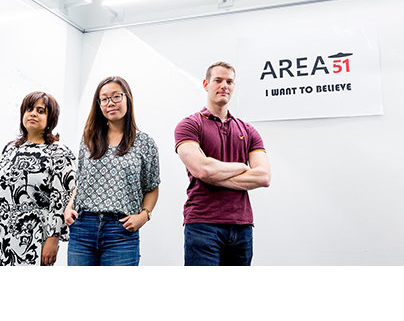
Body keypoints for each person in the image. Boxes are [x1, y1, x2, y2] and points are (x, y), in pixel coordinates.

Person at [174, 61, 271, 266]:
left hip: (242, 226)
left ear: (234, 86)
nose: (224, 85)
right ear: (206, 83)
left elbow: (263, 176)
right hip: (202, 224)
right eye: (218, 80)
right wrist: (242, 167)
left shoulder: (249, 131)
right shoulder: (189, 125)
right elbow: (202, 169)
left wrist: (213, 175)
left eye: (229, 81)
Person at [64, 76, 160, 266]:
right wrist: (69, 207)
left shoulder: (145, 143)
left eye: (116, 96)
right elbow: (81, 181)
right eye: (105, 99)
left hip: (121, 231)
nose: (110, 103)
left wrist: (144, 215)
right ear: (99, 104)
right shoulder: (88, 139)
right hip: (83, 228)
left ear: (127, 98)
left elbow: (152, 186)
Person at [0, 91, 76, 266]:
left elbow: (62, 198)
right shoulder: (9, 148)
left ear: (50, 118)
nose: (33, 114)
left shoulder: (59, 152)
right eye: (29, 109)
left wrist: (53, 239)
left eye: (41, 110)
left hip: (32, 237)